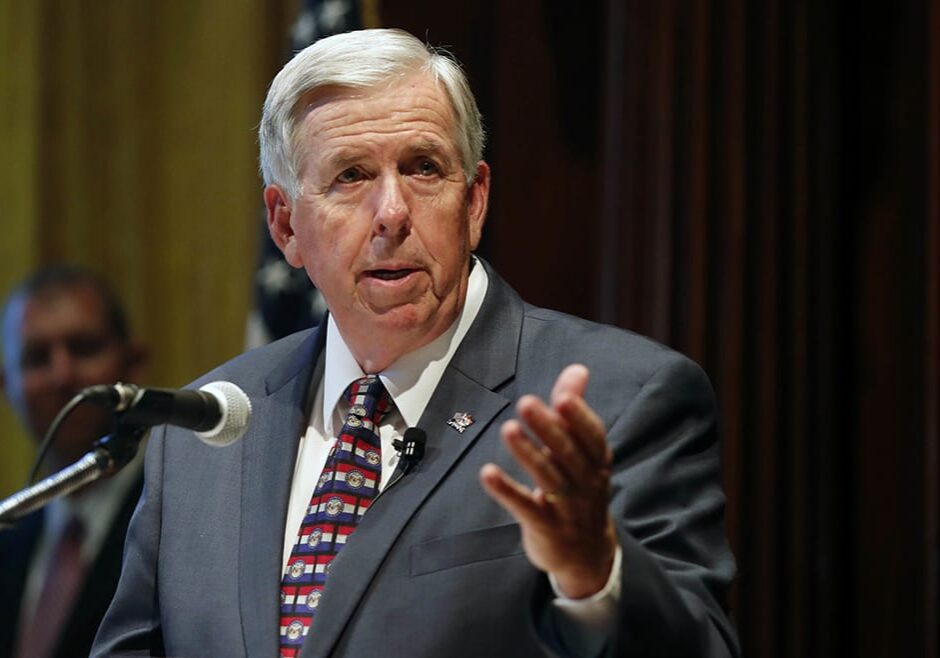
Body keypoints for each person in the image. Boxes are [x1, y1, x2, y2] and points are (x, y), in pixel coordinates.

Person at [92, 28, 739, 657]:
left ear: (475, 200)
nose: (393, 213)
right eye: (350, 176)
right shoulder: (203, 431)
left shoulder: (621, 400)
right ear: (286, 225)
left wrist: (595, 576)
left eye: (423, 168)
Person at [0, 265, 147, 658]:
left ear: (132, 363)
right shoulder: (9, 533)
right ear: (6, 382)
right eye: (36, 358)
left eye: (83, 348)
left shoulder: (174, 521)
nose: (61, 376)